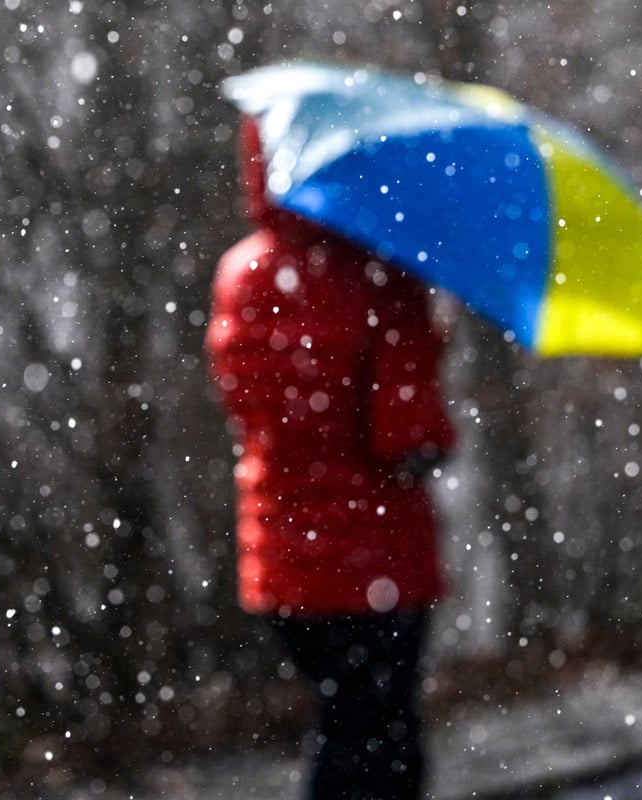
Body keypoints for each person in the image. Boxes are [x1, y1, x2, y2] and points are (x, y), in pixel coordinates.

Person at [206, 116, 457, 800]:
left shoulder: (241, 274)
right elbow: (411, 442)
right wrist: (426, 338)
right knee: (382, 742)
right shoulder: (379, 277)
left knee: (344, 723)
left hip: (283, 561)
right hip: (373, 559)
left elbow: (258, 407)